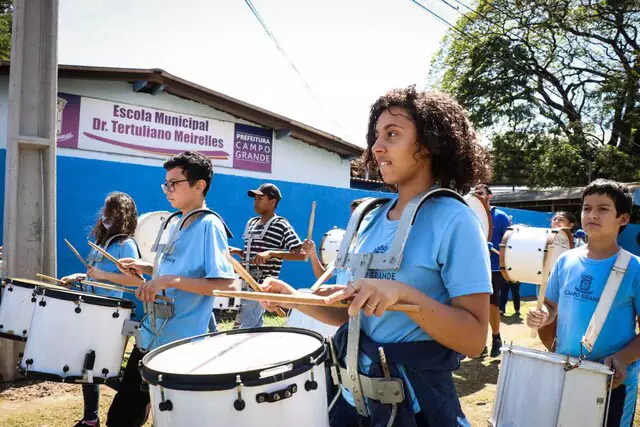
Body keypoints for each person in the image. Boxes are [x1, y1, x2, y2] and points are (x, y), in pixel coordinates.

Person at [258, 86, 492, 426]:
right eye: (376, 135)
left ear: (428, 143)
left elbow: (473, 339)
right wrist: (295, 298)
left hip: (417, 408)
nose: (377, 147)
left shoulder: (455, 219)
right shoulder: (367, 218)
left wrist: (404, 295)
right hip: (352, 405)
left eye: (392, 134)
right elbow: (349, 314)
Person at [105, 151, 236, 427]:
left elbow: (225, 283)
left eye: (174, 183)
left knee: (170, 420)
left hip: (181, 347)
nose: (167, 190)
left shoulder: (209, 225)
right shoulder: (175, 222)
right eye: (166, 183)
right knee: (121, 417)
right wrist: (145, 268)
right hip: (150, 337)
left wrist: (168, 281)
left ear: (199, 185)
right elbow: (174, 271)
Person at [527, 179, 640, 427]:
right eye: (587, 208)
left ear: (623, 219)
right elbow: (551, 305)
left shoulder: (635, 268)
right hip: (565, 373)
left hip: (613, 382)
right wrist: (543, 315)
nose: (592, 214)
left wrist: (623, 357)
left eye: (603, 209)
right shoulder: (565, 260)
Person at [60, 192, 142, 427]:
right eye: (106, 211)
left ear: (122, 215)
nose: (106, 216)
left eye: (112, 212)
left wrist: (104, 275)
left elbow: (137, 280)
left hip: (112, 314)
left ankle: (138, 393)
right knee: (88, 366)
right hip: (93, 310)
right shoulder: (102, 242)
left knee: (104, 368)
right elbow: (92, 275)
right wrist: (78, 277)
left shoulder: (126, 245)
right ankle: (90, 419)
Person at [229, 183, 304, 329]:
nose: (255, 202)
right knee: (255, 326)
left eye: (260, 199)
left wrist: (271, 253)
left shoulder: (281, 224)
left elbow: (300, 254)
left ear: (273, 202)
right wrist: (239, 252)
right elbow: (253, 252)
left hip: (262, 286)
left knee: (242, 327)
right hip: (245, 282)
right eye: (255, 199)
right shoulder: (251, 223)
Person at [474, 183, 510, 357]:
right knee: (474, 305)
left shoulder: (501, 216)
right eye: (475, 193)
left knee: (491, 304)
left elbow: (509, 243)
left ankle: (496, 337)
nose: (477, 196)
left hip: (494, 268)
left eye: (481, 193)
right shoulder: (470, 215)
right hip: (474, 267)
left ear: (490, 196)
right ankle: (479, 343)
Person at [303, 197, 372, 280]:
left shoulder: (373, 252)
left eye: (358, 218)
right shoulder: (346, 251)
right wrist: (312, 253)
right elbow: (322, 276)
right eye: (353, 218)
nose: (353, 222)